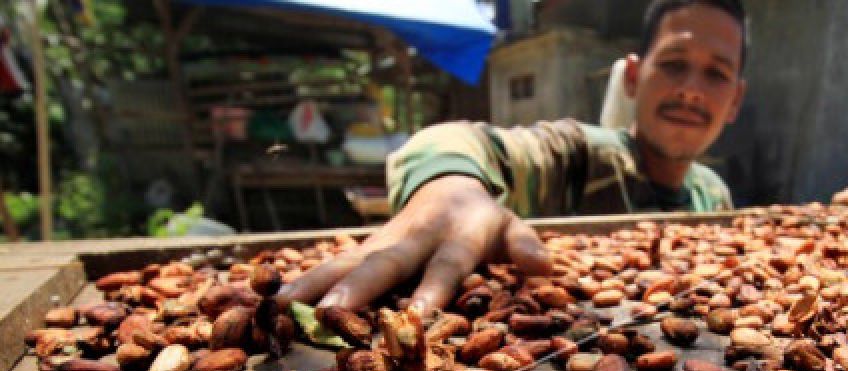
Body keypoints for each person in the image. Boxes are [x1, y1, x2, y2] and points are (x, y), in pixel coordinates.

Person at [280, 0, 749, 313]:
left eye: (716, 74)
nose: (690, 90)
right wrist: (449, 190)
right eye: (672, 64)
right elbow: (451, 141)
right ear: (631, 76)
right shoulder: (578, 158)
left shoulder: (714, 195)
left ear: (736, 102)